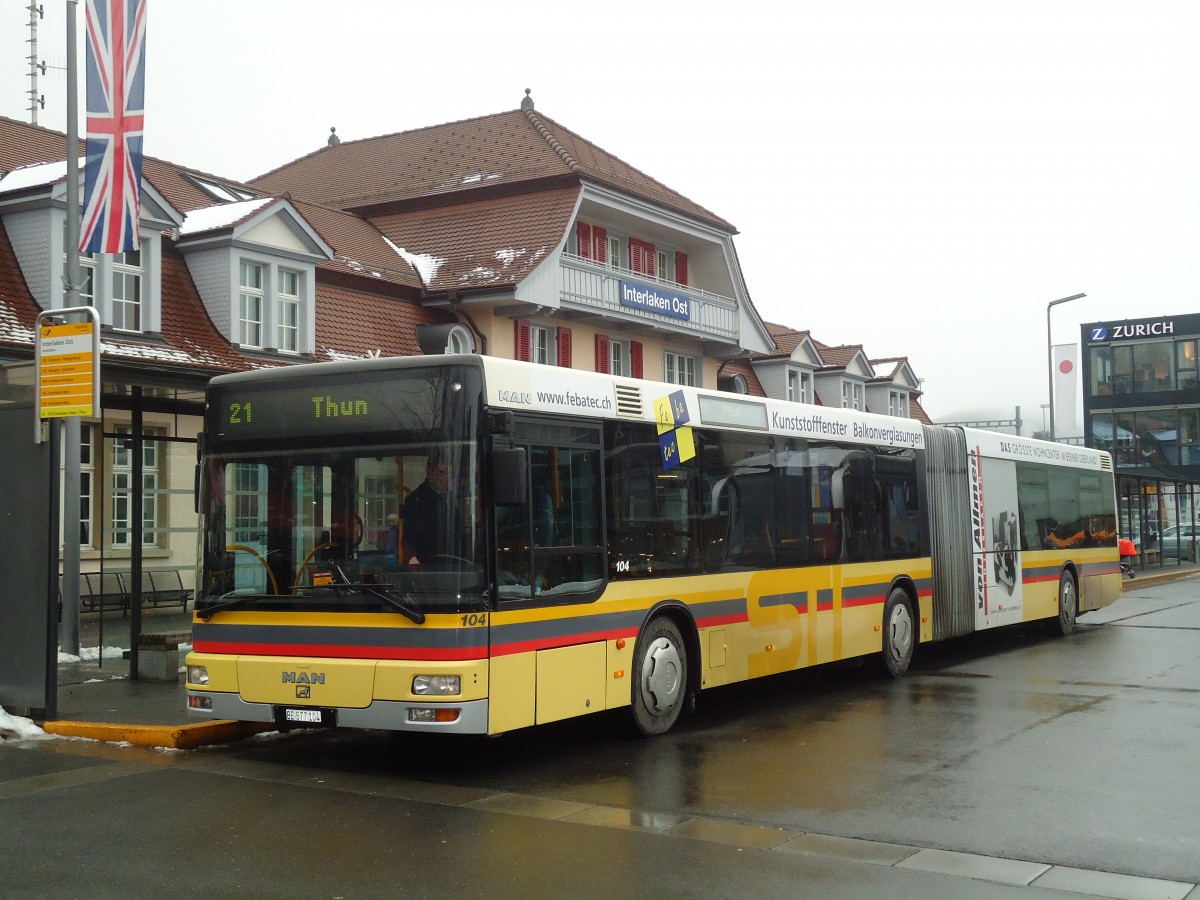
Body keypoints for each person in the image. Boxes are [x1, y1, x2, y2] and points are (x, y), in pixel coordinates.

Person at [402, 451, 449, 566]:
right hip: (429, 567)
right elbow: (410, 544)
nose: (446, 478)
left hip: (452, 563)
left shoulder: (452, 498)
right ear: (429, 472)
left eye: (449, 473)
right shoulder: (416, 500)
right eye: (441, 472)